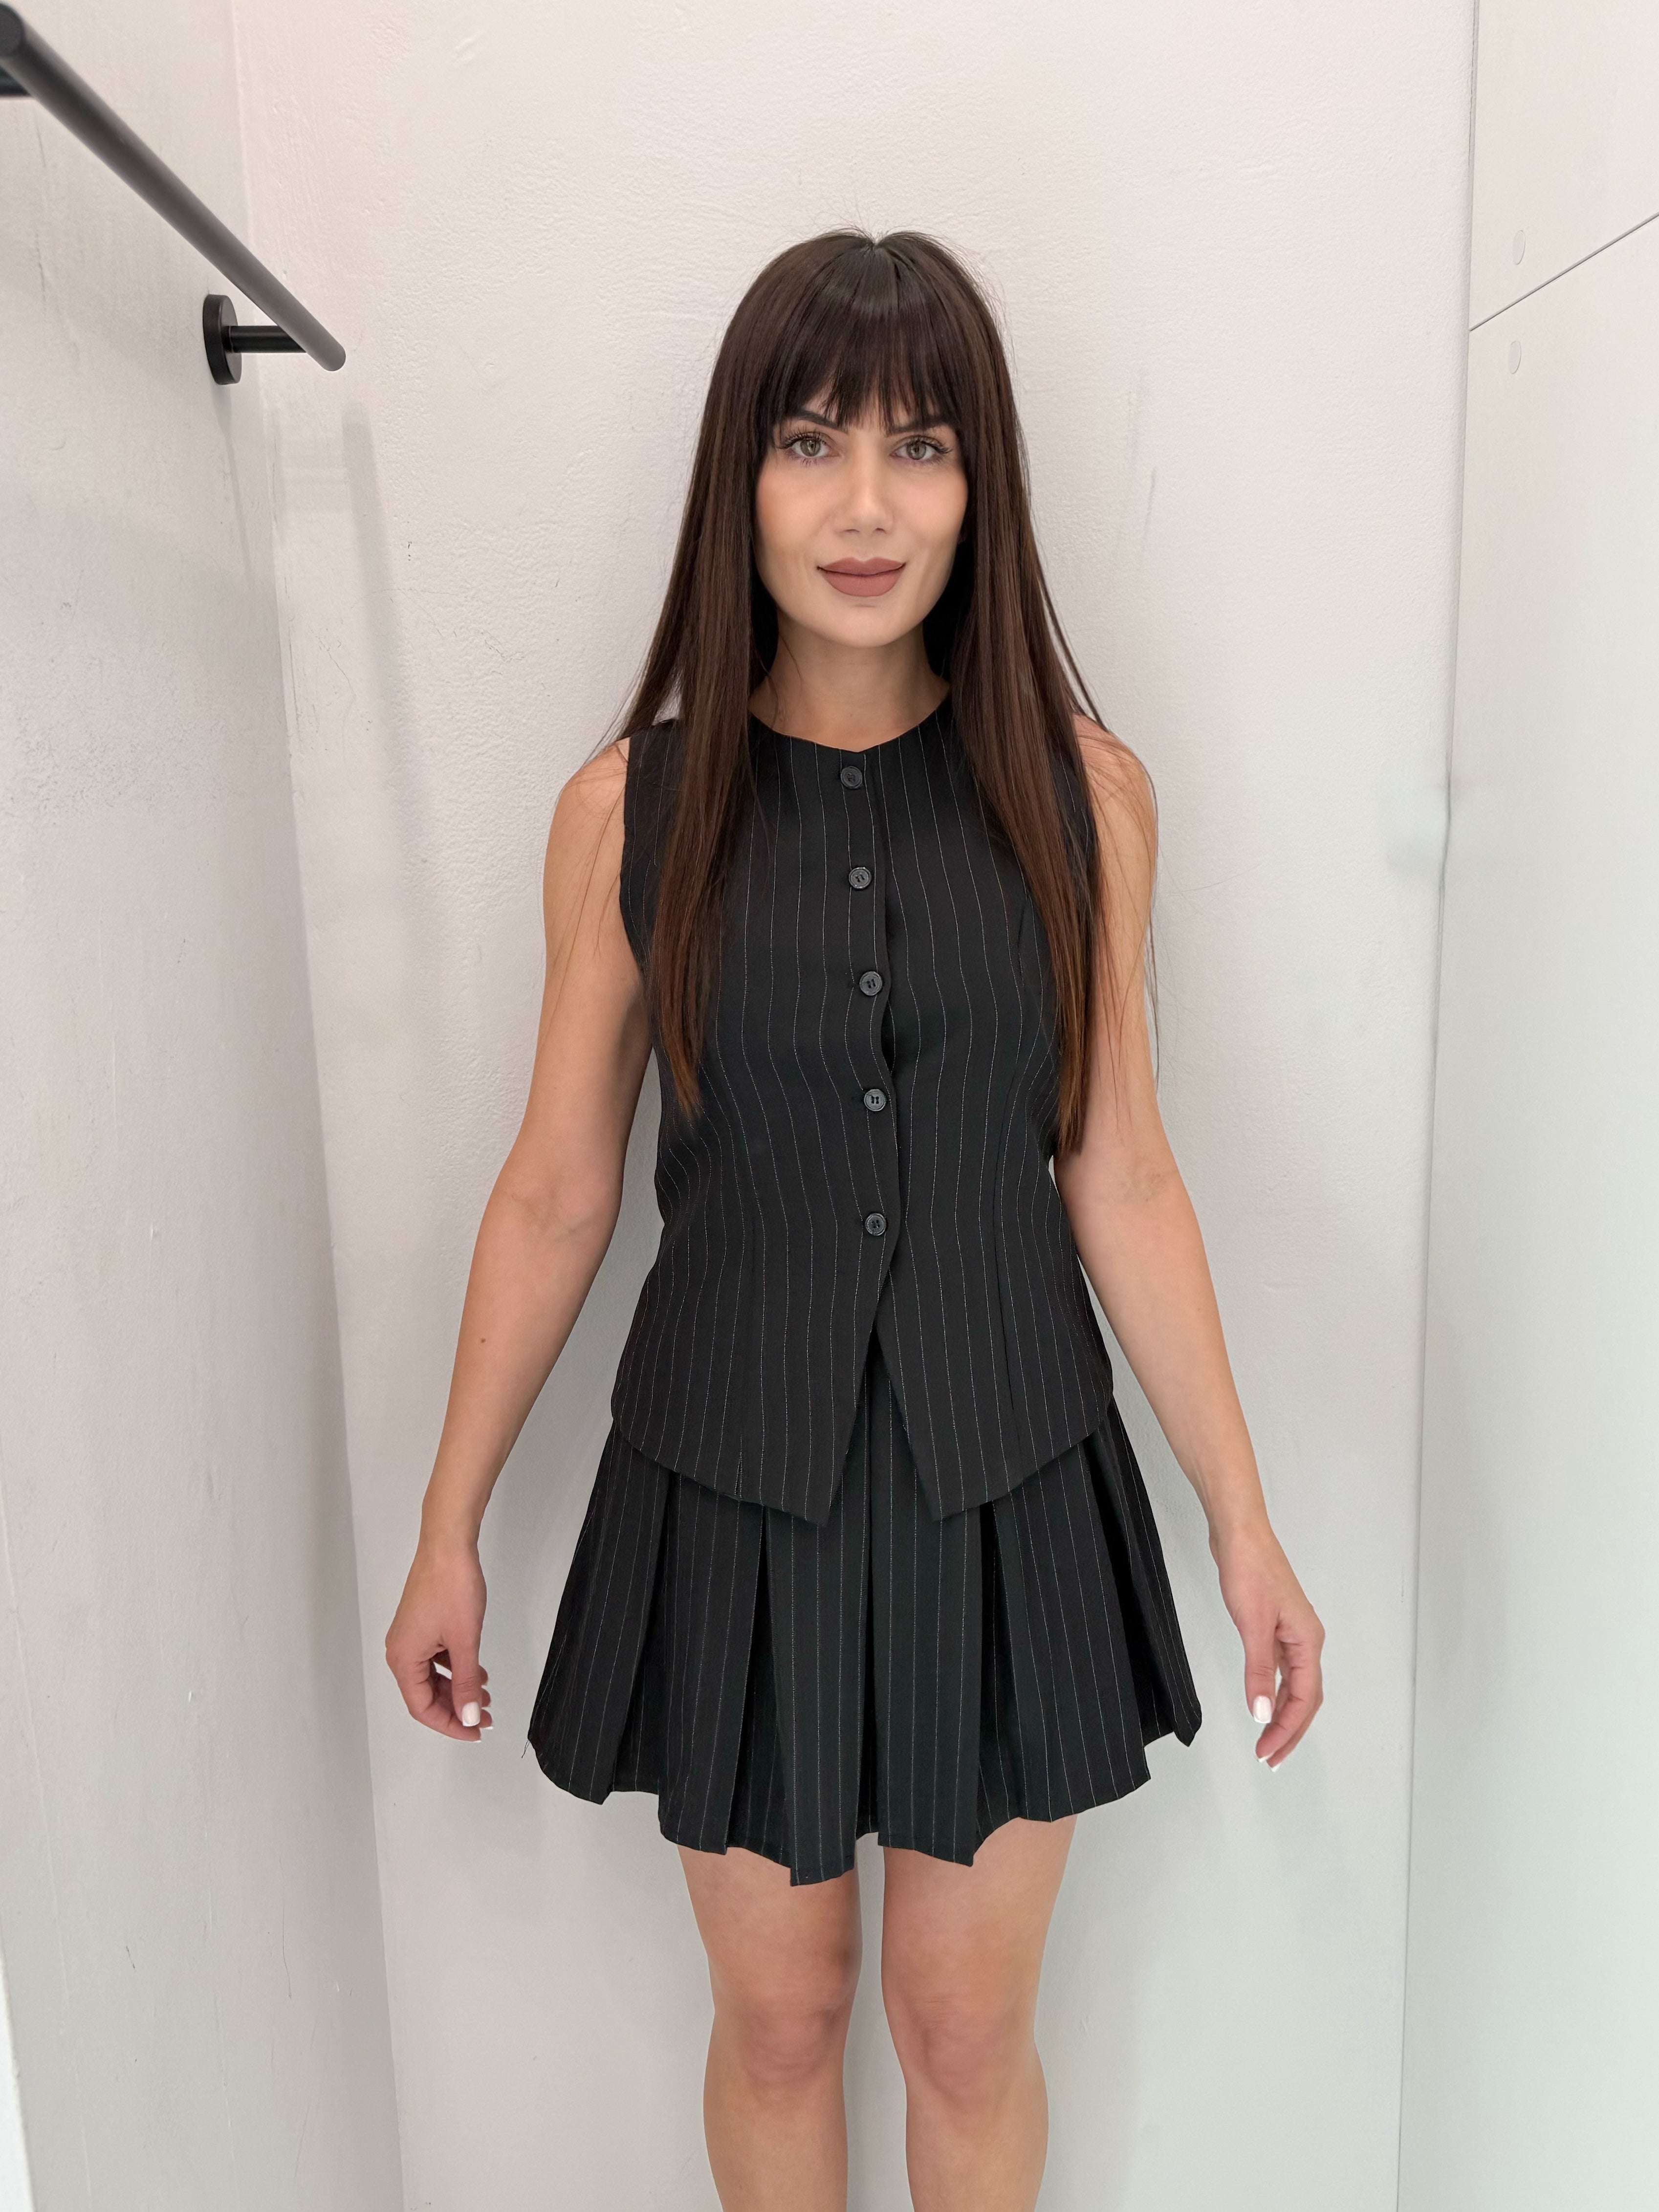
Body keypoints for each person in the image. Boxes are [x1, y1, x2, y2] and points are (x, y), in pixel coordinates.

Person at [385, 227, 1323, 2212]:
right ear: (741, 480)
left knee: (965, 2028)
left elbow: (1122, 1171)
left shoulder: (1086, 798)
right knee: (784, 2023)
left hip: (1010, 1471)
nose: (868, 506)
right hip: (735, 1482)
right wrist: (449, 1522)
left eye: (922, 446)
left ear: (984, 488)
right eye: (812, 443)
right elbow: (555, 1187)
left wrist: (1242, 1520)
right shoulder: (627, 813)